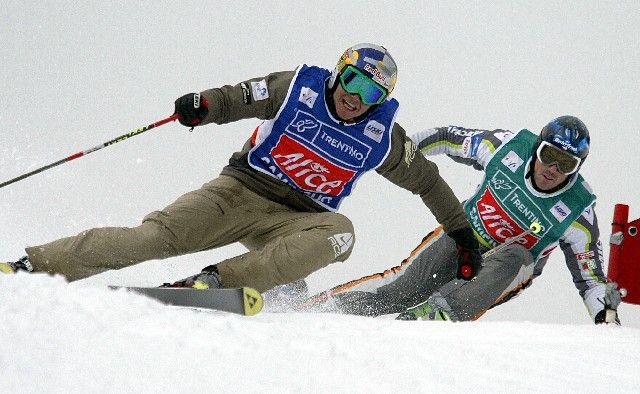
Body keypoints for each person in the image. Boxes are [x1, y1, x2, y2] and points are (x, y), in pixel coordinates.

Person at [0, 43, 481, 295]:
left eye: (372, 93)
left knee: (342, 235)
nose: (356, 96)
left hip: (298, 219)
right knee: (153, 240)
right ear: (339, 72)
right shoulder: (298, 88)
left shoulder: (382, 138)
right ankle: (32, 265)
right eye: (353, 79)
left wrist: (462, 236)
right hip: (239, 192)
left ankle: (216, 282)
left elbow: (428, 182)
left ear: (382, 100)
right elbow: (240, 96)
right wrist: (203, 105)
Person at [301, 116, 623, 324]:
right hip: (464, 240)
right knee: (396, 291)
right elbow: (446, 136)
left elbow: (592, 279)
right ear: (537, 148)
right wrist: (400, 156)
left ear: (577, 168)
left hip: (505, 267)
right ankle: (311, 309)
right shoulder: (505, 148)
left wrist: (606, 317)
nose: (552, 169)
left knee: (519, 255)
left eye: (565, 163)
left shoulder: (579, 210)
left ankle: (440, 315)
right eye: (548, 156)